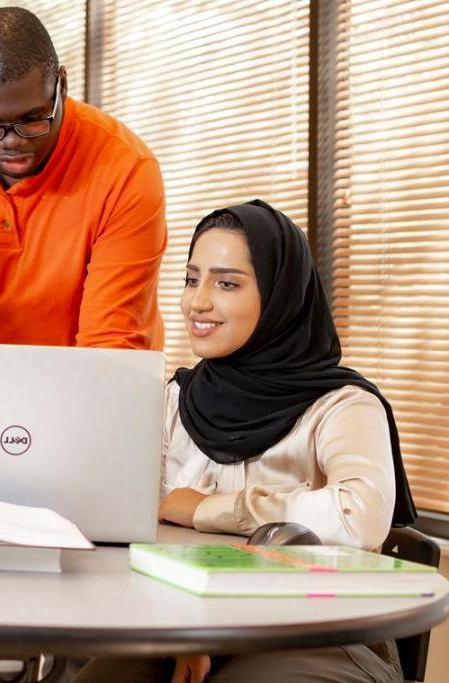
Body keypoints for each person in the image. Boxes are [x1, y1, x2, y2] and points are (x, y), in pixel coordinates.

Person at [74, 200, 416, 682]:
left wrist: (208, 509)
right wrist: (188, 630)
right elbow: (137, 509)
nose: (197, 302)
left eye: (227, 283)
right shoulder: (178, 398)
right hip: (183, 622)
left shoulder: (342, 406)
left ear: (279, 296)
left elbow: (358, 518)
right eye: (192, 279)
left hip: (320, 631)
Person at [0, 7, 167, 349]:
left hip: (88, 381)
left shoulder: (125, 170)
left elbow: (110, 342)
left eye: (33, 120)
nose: (12, 142)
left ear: (61, 86)